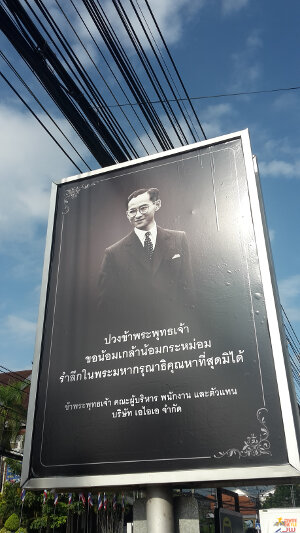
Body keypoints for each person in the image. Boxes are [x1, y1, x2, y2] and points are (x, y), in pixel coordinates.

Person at [98, 187, 194, 331]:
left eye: (143, 208)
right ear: (127, 215)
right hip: (136, 334)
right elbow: (107, 305)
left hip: (176, 327)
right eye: (132, 211)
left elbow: (189, 287)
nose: (137, 215)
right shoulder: (113, 253)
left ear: (157, 205)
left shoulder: (178, 239)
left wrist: (188, 325)